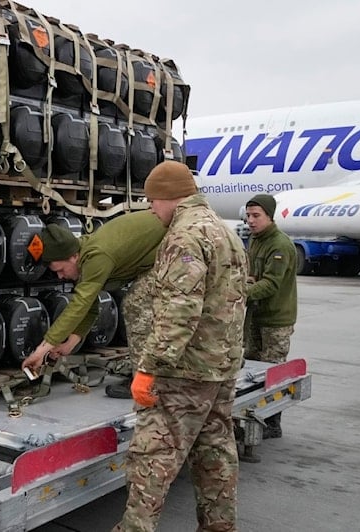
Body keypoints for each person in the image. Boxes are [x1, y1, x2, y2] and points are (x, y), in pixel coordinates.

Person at [114, 161, 248, 532]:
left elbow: (179, 309)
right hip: (221, 367)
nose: (152, 210)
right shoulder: (225, 231)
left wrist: (149, 366)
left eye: (152, 202)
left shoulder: (184, 235)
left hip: (184, 372)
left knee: (151, 459)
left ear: (168, 197)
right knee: (215, 452)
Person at [20, 211, 167, 399]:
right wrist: (69, 344)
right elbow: (90, 306)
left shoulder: (96, 256)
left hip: (176, 247)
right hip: (159, 255)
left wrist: (42, 349)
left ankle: (147, 381)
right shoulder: (84, 255)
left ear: (73, 256)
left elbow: (80, 305)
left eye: (60, 270)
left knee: (136, 305)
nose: (60, 276)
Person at [243, 193, 297, 441]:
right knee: (251, 370)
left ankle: (273, 422)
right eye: (248, 216)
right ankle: (253, 417)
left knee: (272, 373)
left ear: (269, 216)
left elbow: (271, 284)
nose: (251, 221)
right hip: (256, 315)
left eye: (256, 216)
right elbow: (254, 275)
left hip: (275, 320)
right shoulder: (256, 240)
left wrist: (240, 292)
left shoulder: (279, 244)